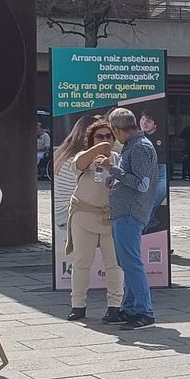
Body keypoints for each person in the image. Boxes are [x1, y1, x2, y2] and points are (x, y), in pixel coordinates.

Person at [99, 107, 157, 330]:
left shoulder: (139, 147)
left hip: (131, 213)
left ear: (116, 129)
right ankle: (132, 308)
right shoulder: (134, 146)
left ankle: (144, 312)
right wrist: (116, 179)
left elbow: (141, 184)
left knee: (132, 263)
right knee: (127, 262)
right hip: (126, 212)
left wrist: (112, 169)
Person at [64, 118, 124, 323]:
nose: (105, 140)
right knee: (81, 262)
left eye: (109, 136)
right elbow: (78, 164)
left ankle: (114, 307)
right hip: (83, 215)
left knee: (114, 264)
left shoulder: (118, 158)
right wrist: (97, 149)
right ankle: (78, 305)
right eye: (99, 136)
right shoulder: (83, 156)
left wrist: (108, 161)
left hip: (110, 217)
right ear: (90, 139)